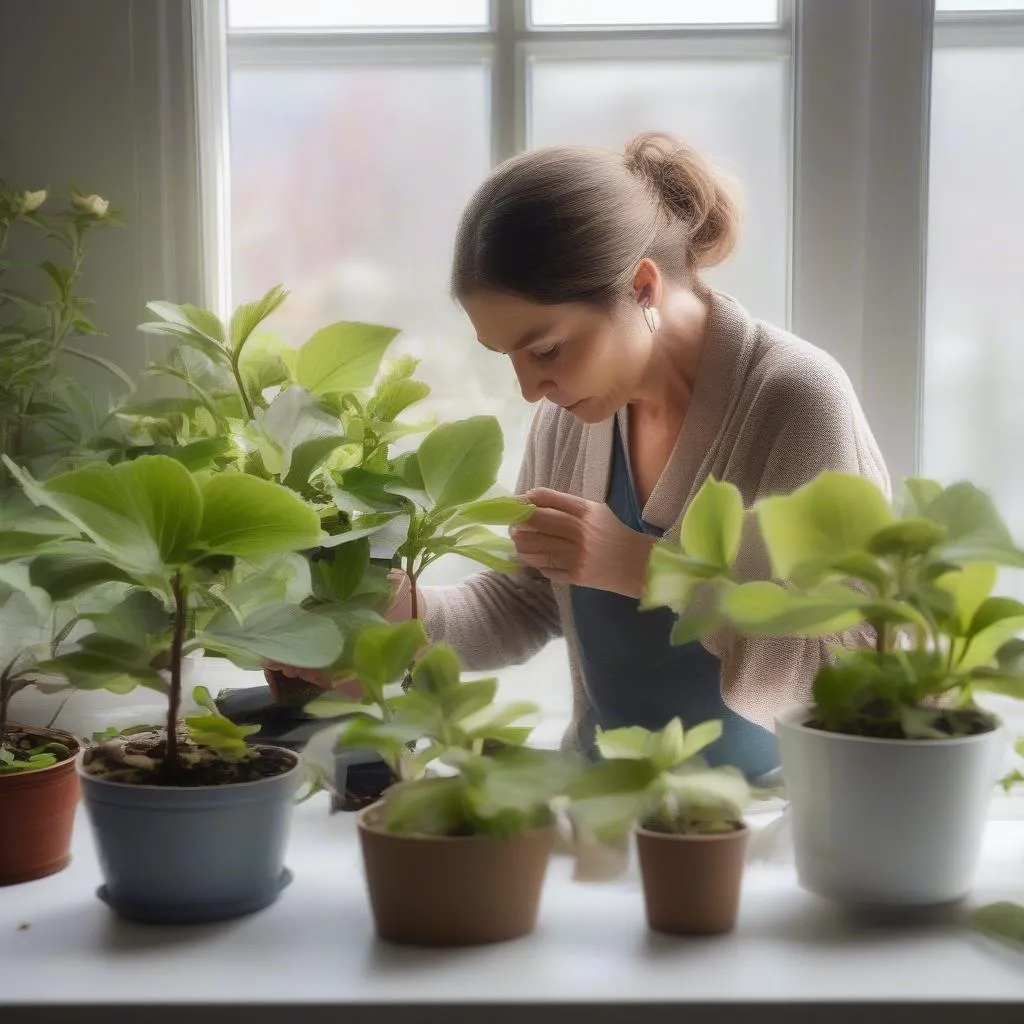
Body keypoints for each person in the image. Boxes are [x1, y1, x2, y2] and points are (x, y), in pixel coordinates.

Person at [269, 130, 889, 783]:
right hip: (603, 801)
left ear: (643, 289)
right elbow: (528, 602)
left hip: (770, 822)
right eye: (506, 356)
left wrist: (647, 568)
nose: (529, 387)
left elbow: (839, 666)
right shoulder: (572, 419)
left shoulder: (794, 402)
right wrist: (408, 614)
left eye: (546, 350)